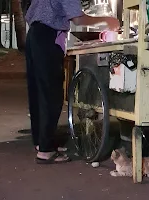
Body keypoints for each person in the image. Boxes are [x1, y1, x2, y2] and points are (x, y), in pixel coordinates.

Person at [25, 0, 120, 164]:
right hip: (48, 38)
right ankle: (46, 151)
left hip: (35, 35)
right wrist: (106, 20)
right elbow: (78, 19)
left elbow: (30, 15)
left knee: (39, 92)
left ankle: (42, 143)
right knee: (51, 94)